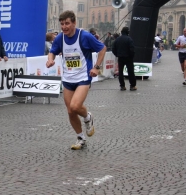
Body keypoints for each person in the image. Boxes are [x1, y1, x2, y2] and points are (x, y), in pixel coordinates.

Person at [46, 10, 106, 150]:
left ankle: (87, 117)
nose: (64, 27)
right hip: (67, 79)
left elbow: (102, 48)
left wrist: (96, 67)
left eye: (67, 23)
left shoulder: (84, 36)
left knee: (75, 106)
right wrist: (50, 60)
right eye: (62, 24)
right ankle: (80, 138)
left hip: (83, 77)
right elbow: (52, 51)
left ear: (74, 22)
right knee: (70, 111)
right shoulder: (60, 38)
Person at [112, 27, 137, 91]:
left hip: (120, 57)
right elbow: (132, 49)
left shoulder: (117, 39)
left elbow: (113, 49)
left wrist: (117, 54)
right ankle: (132, 85)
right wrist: (131, 56)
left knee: (120, 72)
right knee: (130, 72)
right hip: (128, 58)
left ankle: (122, 86)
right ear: (127, 32)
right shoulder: (129, 39)